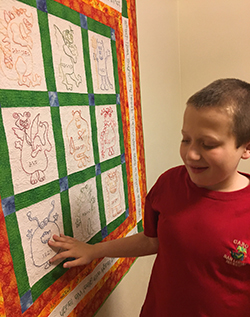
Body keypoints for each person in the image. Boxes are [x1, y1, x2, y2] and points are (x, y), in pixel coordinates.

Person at [49, 78, 250, 316]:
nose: (191, 154)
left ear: (246, 148)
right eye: (186, 139)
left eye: (208, 144)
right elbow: (151, 240)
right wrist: (94, 250)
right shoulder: (169, 184)